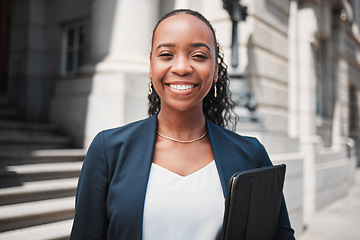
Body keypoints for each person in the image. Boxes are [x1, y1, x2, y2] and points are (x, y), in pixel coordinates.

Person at [70, 9, 295, 240]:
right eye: (166, 54)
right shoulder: (108, 150)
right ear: (150, 67)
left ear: (215, 71)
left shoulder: (251, 155)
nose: (181, 68)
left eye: (198, 56)